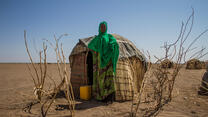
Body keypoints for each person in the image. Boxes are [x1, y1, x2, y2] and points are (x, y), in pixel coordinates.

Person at [88, 21, 119, 102]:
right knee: (100, 79)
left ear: (106, 27)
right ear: (99, 28)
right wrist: (97, 51)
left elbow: (114, 43)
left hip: (108, 62)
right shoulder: (97, 38)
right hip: (100, 63)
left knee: (110, 79)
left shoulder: (109, 37)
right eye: (101, 26)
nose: (103, 28)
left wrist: (111, 46)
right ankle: (101, 96)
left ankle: (109, 97)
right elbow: (90, 46)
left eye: (104, 27)